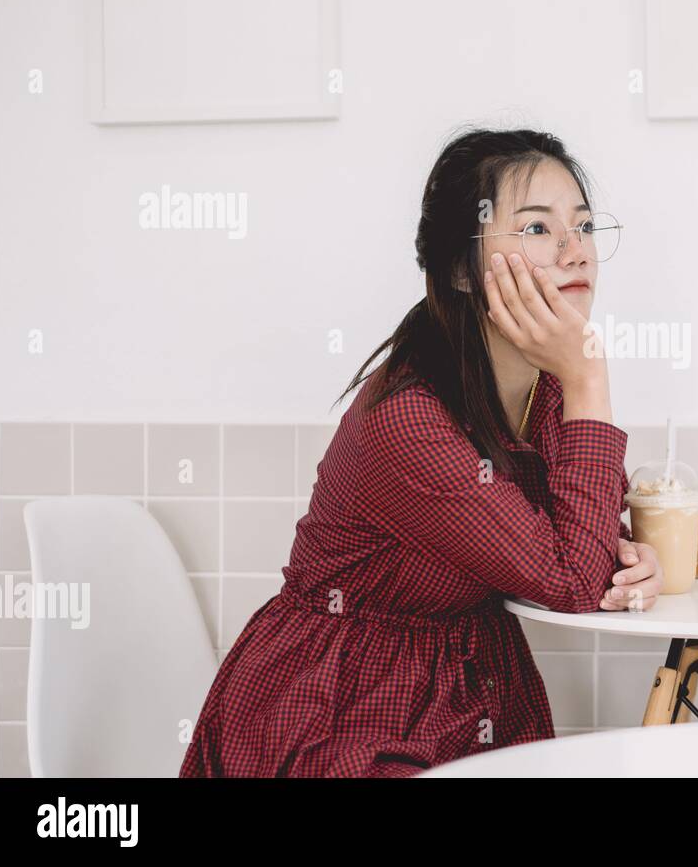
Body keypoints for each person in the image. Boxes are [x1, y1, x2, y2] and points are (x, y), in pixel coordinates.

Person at [179, 126, 663, 777]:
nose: (576, 252)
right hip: (344, 702)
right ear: (463, 268)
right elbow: (572, 581)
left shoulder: (547, 387)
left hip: (472, 684)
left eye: (583, 226)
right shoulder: (410, 419)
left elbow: (583, 553)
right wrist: (589, 376)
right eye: (538, 229)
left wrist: (632, 560)